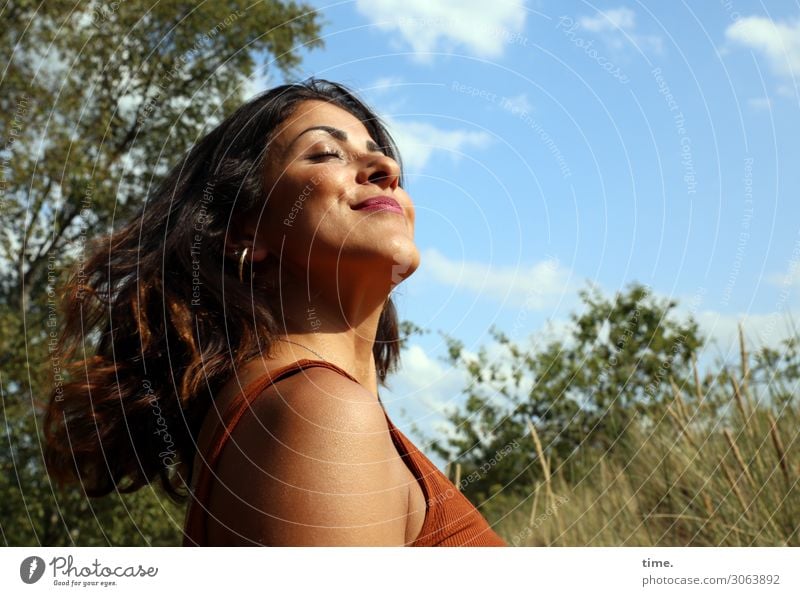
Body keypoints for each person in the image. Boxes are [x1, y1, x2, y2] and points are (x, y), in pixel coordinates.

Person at [43, 78, 507, 546]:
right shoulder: (318, 414)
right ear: (243, 230)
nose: (385, 166)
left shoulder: (309, 409)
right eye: (327, 153)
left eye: (380, 155)